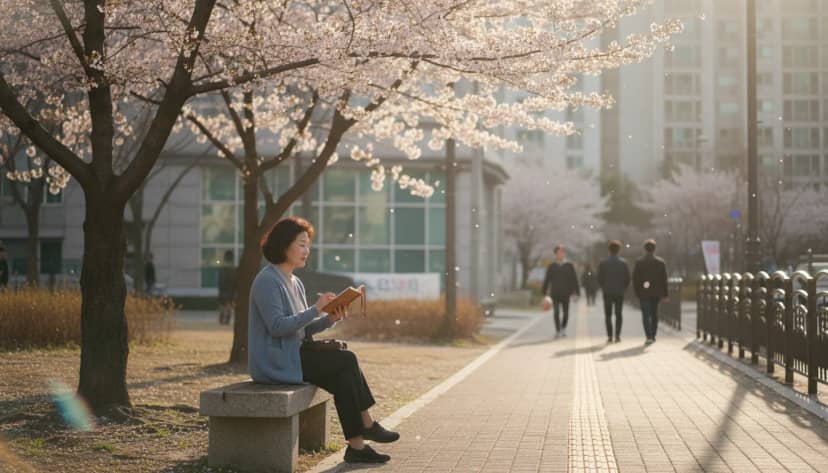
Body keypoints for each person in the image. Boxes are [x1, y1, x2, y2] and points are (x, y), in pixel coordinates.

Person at [249, 217, 398, 464]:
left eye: (308, 245)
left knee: (343, 374)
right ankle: (367, 424)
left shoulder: (294, 281)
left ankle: (357, 447)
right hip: (276, 361)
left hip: (294, 353)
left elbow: (302, 330)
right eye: (301, 244)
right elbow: (277, 328)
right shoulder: (267, 280)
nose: (307, 250)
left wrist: (329, 317)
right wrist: (315, 309)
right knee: (346, 360)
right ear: (283, 245)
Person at [632, 239, 668, 345]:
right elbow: (664, 279)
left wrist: (637, 292)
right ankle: (653, 334)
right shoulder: (660, 262)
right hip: (656, 292)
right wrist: (665, 294)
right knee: (654, 314)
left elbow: (635, 279)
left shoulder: (639, 262)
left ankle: (648, 336)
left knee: (645, 315)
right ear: (654, 249)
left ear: (645, 249)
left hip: (643, 293)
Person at [542, 245, 580, 337]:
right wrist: (544, 292)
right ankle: (558, 330)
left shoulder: (569, 265)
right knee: (556, 312)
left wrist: (577, 292)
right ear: (555, 254)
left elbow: (574, 279)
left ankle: (563, 328)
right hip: (554, 293)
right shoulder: (552, 266)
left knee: (566, 312)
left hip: (566, 293)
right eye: (559, 252)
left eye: (562, 252)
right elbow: (547, 279)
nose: (561, 254)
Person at [597, 240, 631, 343]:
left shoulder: (603, 263)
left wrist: (603, 286)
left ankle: (609, 336)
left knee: (608, 315)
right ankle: (617, 335)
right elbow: (628, 278)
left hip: (607, 291)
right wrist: (623, 287)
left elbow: (599, 278)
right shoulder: (623, 263)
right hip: (619, 292)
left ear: (609, 250)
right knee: (618, 314)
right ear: (619, 250)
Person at [217, 250, 236, 325]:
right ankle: (227, 319)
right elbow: (235, 281)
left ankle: (221, 319)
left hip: (223, 289)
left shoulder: (222, 268)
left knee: (222, 305)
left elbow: (220, 281)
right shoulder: (233, 269)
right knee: (229, 305)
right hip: (231, 290)